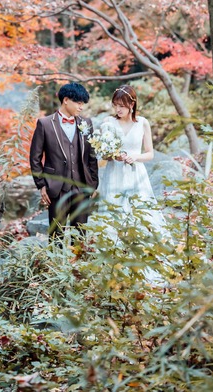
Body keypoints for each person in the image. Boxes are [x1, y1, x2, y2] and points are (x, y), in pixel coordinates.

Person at [96, 85, 171, 283]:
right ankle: (114, 264)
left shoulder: (143, 123)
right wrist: (113, 154)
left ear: (132, 104)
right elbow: (103, 154)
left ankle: (142, 259)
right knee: (114, 215)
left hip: (136, 173)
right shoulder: (108, 123)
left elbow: (150, 153)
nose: (118, 110)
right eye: (115, 105)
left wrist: (134, 156)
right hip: (115, 174)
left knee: (138, 213)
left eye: (122, 105)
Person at [28, 82, 99, 241]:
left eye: (83, 104)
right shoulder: (45, 124)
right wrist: (41, 185)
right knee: (56, 236)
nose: (81, 107)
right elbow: (35, 158)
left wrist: (93, 183)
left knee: (80, 236)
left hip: (82, 187)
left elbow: (91, 156)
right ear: (66, 100)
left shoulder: (86, 124)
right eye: (78, 103)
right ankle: (56, 264)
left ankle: (77, 266)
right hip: (57, 188)